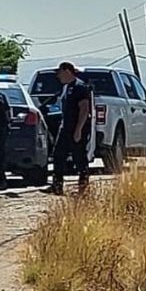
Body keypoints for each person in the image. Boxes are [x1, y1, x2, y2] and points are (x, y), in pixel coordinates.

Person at [47, 61, 92, 196]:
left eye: (59, 72)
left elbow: (84, 109)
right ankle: (57, 186)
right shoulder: (66, 87)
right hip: (65, 127)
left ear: (67, 71)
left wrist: (78, 129)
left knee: (79, 158)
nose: (58, 76)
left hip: (77, 128)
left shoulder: (80, 87)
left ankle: (83, 189)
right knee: (58, 156)